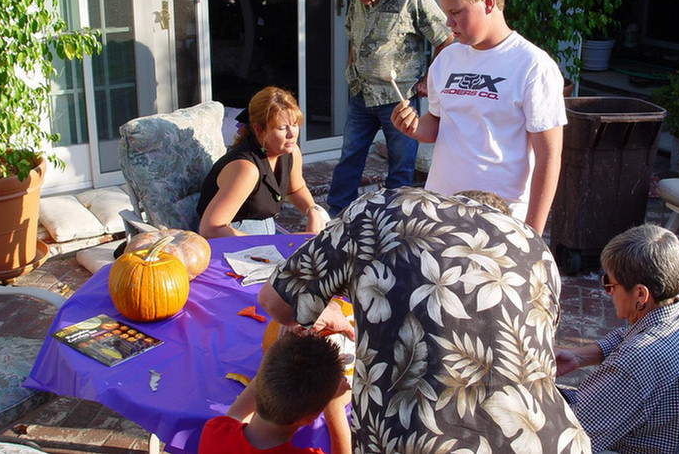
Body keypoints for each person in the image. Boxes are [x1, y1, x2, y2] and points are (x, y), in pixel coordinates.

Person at [259, 186, 591, 454]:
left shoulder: (374, 211)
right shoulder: (530, 243)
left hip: (416, 440)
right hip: (548, 440)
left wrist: (328, 304)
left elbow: (275, 303)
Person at [391, 0, 566, 235]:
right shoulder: (446, 60)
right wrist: (411, 127)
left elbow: (549, 156)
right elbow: (434, 126)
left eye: (456, 12)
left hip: (499, 217)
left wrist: (532, 234)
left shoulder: (533, 65)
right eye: (445, 13)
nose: (448, 23)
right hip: (439, 208)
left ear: (487, 2)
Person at [555, 224, 679, 454]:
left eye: (610, 284)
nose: (607, 292)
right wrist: (578, 356)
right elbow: (629, 337)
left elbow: (568, 433)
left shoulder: (639, 360)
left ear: (641, 294)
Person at [326, 0, 454, 217]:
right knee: (349, 157)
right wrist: (351, 68)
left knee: (401, 164)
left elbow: (445, 38)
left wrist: (428, 78)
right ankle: (336, 216)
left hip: (399, 98)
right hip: (362, 93)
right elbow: (352, 34)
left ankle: (395, 219)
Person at [197, 87, 328, 238]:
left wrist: (313, 210)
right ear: (259, 130)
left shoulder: (291, 152)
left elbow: (295, 188)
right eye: (282, 128)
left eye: (294, 124)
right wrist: (269, 244)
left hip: (264, 233)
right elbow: (210, 229)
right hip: (232, 238)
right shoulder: (246, 169)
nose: (292, 134)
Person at [198, 331, 352, 454]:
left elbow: (236, 414)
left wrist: (277, 355)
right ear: (310, 417)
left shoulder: (215, 432)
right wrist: (335, 409)